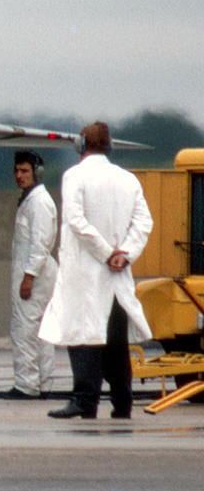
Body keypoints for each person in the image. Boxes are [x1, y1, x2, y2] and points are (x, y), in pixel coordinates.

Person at [40, 123, 154, 419]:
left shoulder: (74, 176)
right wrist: (125, 254)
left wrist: (105, 254)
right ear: (110, 146)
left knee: (82, 336)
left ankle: (85, 399)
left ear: (80, 145)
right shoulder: (128, 180)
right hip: (117, 276)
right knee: (115, 341)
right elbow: (144, 222)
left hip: (85, 273)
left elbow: (76, 221)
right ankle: (122, 401)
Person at [7, 150, 59, 397]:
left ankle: (27, 385)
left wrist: (29, 276)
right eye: (17, 171)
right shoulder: (32, 200)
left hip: (35, 273)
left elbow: (41, 243)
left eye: (25, 171)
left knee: (25, 329)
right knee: (41, 330)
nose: (19, 176)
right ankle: (43, 383)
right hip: (38, 270)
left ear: (37, 173)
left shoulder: (38, 202)